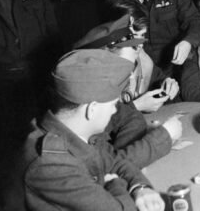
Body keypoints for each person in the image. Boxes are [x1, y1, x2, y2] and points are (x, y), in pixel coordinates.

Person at [0, 49, 165, 211]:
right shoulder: (48, 164)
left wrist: (139, 188)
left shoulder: (67, 130)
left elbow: (116, 161)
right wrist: (118, 185)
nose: (115, 111)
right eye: (113, 105)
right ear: (91, 108)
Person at [74, 15, 182, 169]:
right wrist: (164, 136)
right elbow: (107, 168)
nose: (131, 76)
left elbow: (130, 119)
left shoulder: (108, 95)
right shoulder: (84, 102)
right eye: (123, 70)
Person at [0, 0, 61, 141]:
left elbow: (51, 29)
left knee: (51, 136)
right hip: (5, 84)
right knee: (16, 142)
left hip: (41, 75)